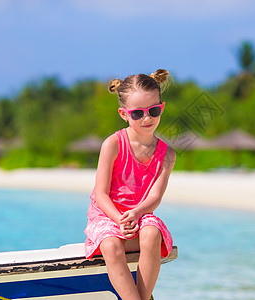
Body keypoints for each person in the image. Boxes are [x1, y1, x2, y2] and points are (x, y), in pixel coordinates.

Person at [84, 69, 176, 300]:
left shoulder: (167, 155)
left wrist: (136, 212)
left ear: (161, 108)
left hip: (141, 214)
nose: (147, 118)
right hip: (108, 216)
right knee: (111, 246)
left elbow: (155, 197)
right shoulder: (112, 144)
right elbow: (101, 194)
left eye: (153, 111)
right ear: (124, 114)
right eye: (138, 114)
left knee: (152, 232)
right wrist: (119, 219)